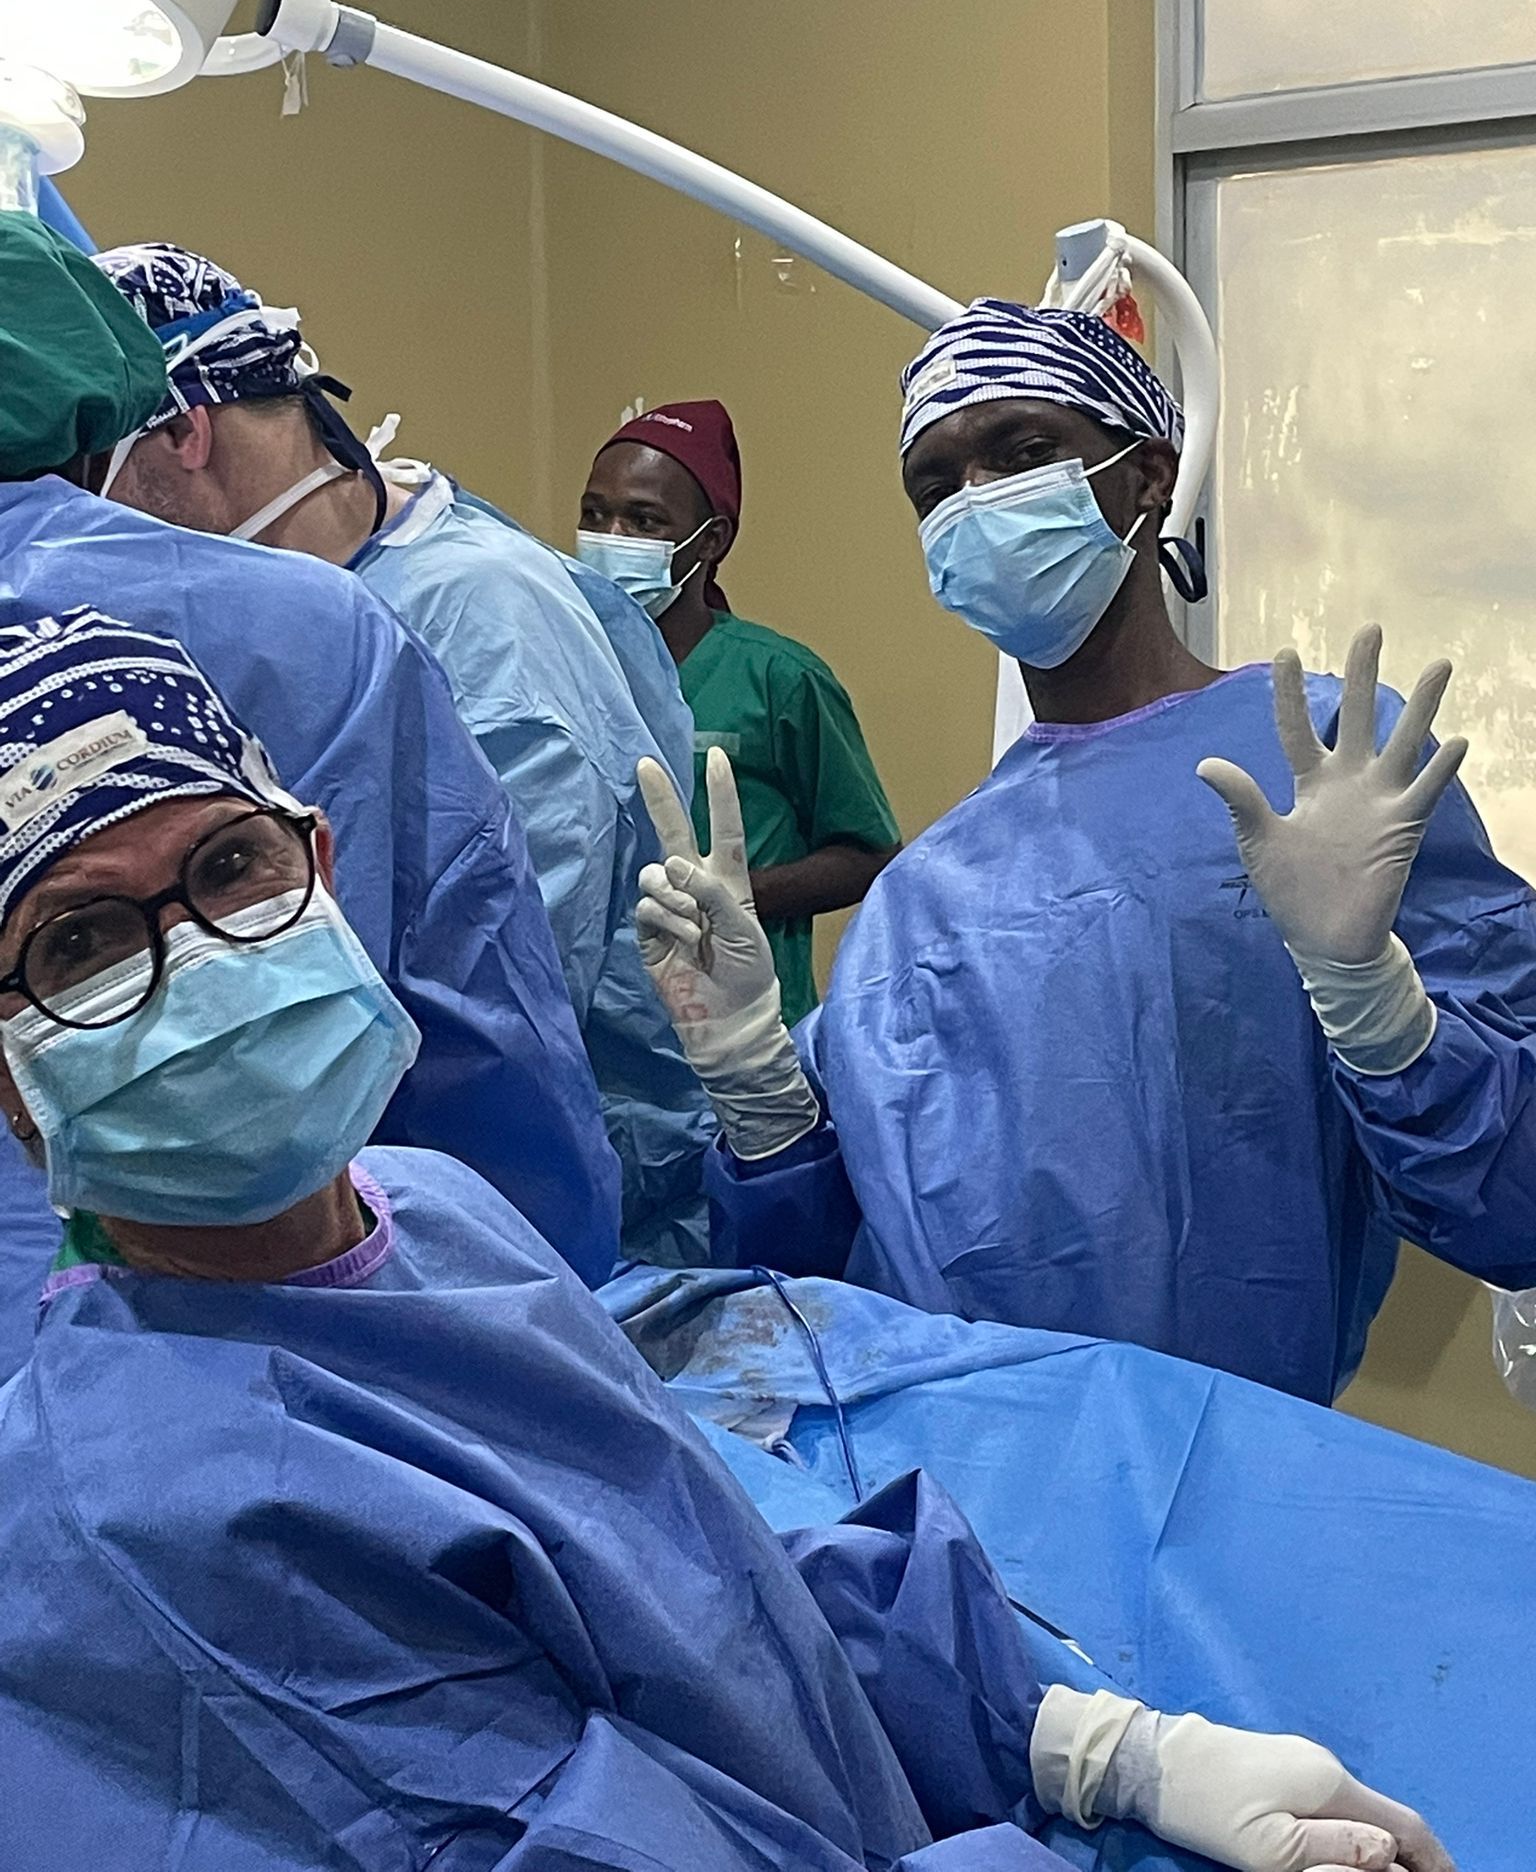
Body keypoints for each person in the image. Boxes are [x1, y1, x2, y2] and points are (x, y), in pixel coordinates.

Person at [0, 609, 1454, 1872]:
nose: (196, 951)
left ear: (319, 858)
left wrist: (1083, 1740)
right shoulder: (150, 1514)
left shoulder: (431, 1213)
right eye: (78, 941)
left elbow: (707, 1560)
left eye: (231, 863)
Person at [632, 299, 1536, 1405]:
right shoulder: (925, 894)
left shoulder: (1327, 770)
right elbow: (812, 1294)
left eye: (1022, 453)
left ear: (1149, 475)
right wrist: (759, 1086)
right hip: (960, 1472)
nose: (977, 502)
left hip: (1228, 1451)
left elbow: (1516, 1211)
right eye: (935, 485)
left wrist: (1373, 1000)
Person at [0, 215, 617, 1393]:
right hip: (319, 1323)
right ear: (100, 424)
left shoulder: (439, 603)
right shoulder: (314, 631)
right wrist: (538, 1300)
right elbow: (480, 1016)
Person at [92, 244, 710, 1262]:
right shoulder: (277, 616)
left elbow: (518, 987)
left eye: (91, 483)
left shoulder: (485, 623)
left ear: (185, 431)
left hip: (529, 1218)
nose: (96, 529)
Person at [579, 400, 900, 1026]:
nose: (611, 538)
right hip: (604, 1033)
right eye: (594, 514)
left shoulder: (778, 678)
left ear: (712, 539)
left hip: (745, 1025)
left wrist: (734, 898)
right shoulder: (569, 668)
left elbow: (869, 855)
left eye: (643, 520)